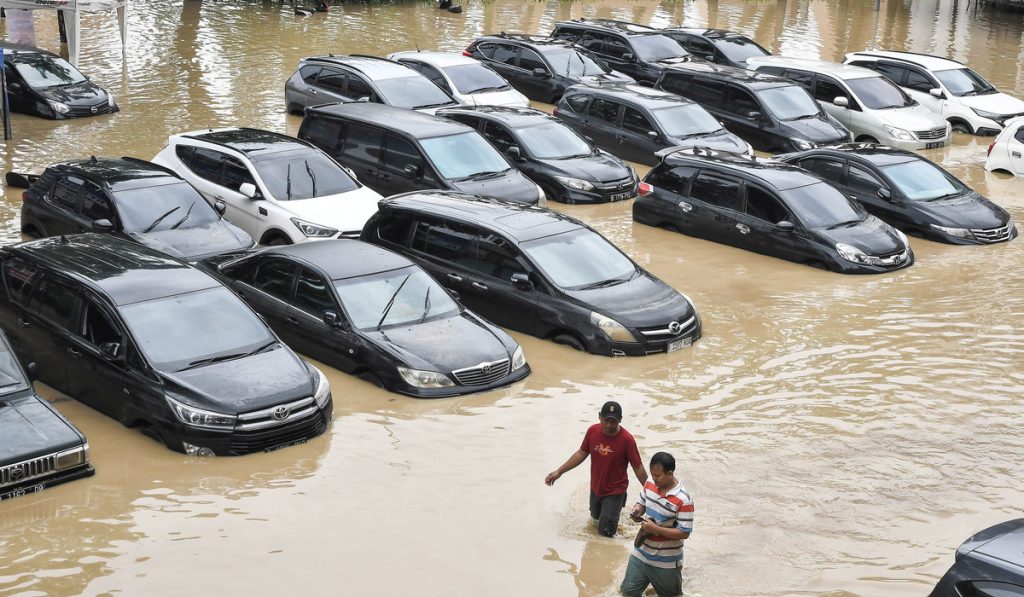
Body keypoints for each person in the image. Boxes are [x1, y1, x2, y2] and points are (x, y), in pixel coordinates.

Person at [545, 401, 648, 537]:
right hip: (596, 489)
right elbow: (581, 453)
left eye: (613, 422)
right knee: (594, 522)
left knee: (605, 534)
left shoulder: (627, 440)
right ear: (599, 417)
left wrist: (651, 490)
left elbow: (638, 466)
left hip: (615, 492)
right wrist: (559, 471)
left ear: (620, 420)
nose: (609, 425)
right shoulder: (592, 431)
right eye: (606, 420)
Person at [620, 452, 694, 597]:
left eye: (658, 476)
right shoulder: (649, 483)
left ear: (670, 473)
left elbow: (684, 532)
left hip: (666, 562)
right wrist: (637, 510)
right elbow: (642, 502)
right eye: (652, 474)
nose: (653, 478)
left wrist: (655, 529)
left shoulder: (684, 500)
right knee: (627, 593)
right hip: (641, 554)